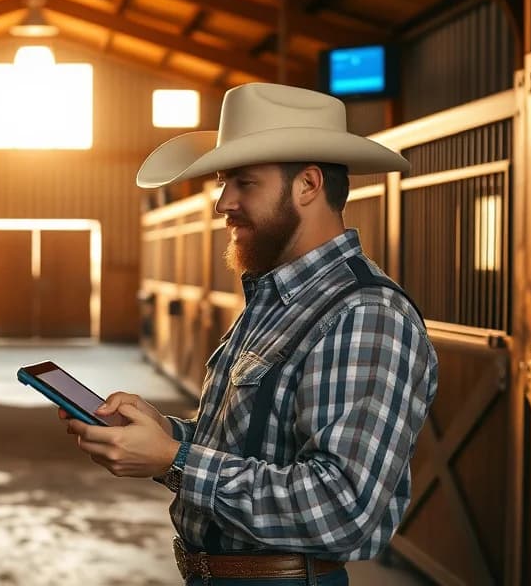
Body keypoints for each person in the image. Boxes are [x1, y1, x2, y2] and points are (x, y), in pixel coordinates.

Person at [59, 83, 439, 586]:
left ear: (308, 185)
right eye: (224, 183)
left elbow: (341, 507)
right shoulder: (277, 297)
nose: (222, 202)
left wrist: (175, 459)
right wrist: (165, 433)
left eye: (244, 183)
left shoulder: (365, 313)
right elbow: (252, 450)